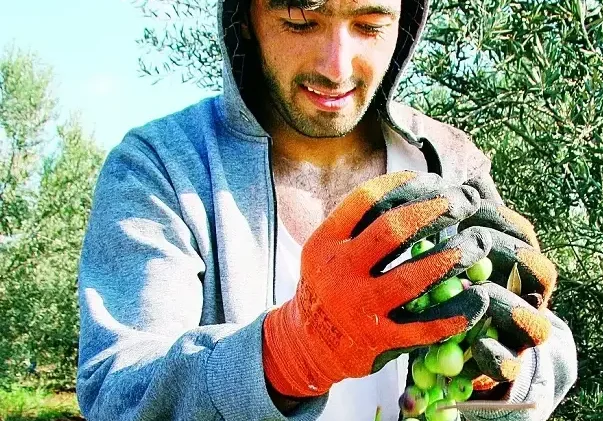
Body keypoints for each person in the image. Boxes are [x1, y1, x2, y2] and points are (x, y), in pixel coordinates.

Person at [76, 0, 577, 419]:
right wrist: (289, 355)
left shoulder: (448, 159)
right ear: (245, 18)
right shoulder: (163, 165)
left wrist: (504, 375)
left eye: (370, 24)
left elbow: (548, 362)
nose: (336, 68)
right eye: (299, 20)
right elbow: (117, 395)